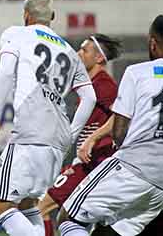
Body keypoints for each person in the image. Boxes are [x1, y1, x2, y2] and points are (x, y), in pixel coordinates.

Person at [0, 0, 97, 236]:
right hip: (56, 141)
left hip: (29, 134)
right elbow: (90, 97)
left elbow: (5, 72)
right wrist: (71, 133)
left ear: (26, 15)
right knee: (28, 205)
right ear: (52, 17)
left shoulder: (16, 34)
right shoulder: (68, 50)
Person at [58, 15, 163, 236]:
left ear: (153, 42)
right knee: (111, 231)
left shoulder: (137, 73)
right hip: (159, 183)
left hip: (132, 166)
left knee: (68, 218)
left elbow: (119, 130)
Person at [38, 34, 122, 236]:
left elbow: (120, 118)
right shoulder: (87, 84)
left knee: (41, 208)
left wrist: (92, 141)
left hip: (96, 163)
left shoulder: (105, 85)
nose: (78, 53)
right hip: (86, 161)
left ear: (99, 58)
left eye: (84, 50)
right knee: (73, 220)